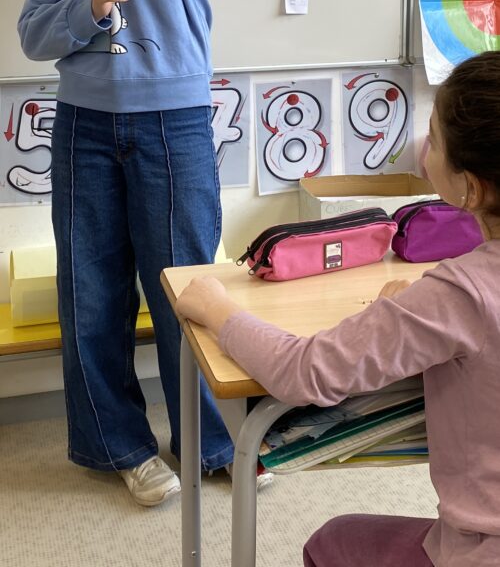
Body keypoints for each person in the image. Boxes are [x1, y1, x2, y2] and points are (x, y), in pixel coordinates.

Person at [0, 0, 237, 507]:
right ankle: (119, 447)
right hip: (85, 128)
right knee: (92, 296)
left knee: (187, 293)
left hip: (172, 126)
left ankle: (211, 442)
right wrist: (89, 13)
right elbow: (33, 34)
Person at [175, 50, 500, 566]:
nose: (423, 151)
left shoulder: (461, 294)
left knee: (332, 542)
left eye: (434, 139)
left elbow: (302, 371)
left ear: (472, 187)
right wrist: (408, 315)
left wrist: (218, 308)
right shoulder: (453, 295)